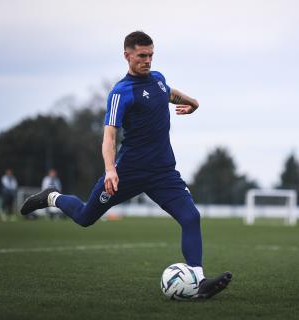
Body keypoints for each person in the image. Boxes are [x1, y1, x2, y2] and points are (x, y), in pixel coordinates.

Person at [21, 31, 231, 299]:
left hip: (163, 172)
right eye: (142, 56)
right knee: (86, 217)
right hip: (127, 173)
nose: (147, 61)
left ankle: (199, 281)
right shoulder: (121, 92)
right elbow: (109, 135)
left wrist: (193, 102)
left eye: (151, 55)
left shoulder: (157, 79)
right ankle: (52, 196)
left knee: (191, 217)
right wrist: (110, 169)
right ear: (127, 55)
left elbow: (167, 93)